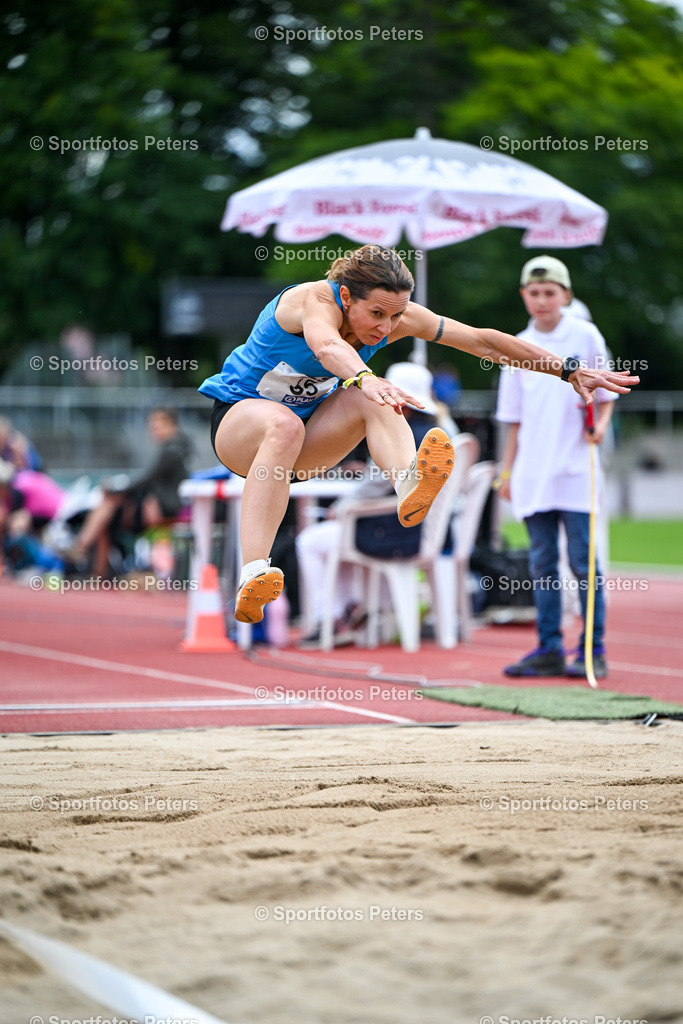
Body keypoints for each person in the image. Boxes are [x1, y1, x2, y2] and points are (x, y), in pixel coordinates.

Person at [199, 244, 637, 625]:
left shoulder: (396, 316)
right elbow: (327, 346)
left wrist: (566, 369)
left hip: (306, 445)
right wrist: (364, 376)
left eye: (395, 316)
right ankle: (254, 570)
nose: (386, 328)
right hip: (241, 429)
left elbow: (483, 342)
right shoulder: (313, 300)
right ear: (347, 296)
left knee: (377, 400)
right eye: (376, 314)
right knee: (290, 420)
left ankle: (409, 482)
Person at [495, 255, 618, 679]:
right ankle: (549, 646)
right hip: (533, 471)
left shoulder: (584, 335)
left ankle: (592, 648)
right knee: (542, 563)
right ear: (524, 296)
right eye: (535, 292)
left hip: (575, 469)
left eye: (551, 292)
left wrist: (600, 426)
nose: (543, 300)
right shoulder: (516, 345)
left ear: (565, 294)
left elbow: (607, 395)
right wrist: (507, 471)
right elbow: (512, 418)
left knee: (584, 563)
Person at [295, 361, 457, 647]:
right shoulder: (441, 432)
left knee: (310, 540)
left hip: (394, 533)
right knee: (337, 534)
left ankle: (331, 618)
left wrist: (342, 508)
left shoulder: (397, 431)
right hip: (436, 533)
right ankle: (353, 607)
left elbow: (375, 485)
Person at [67, 407, 192, 577]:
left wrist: (116, 490)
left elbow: (147, 480)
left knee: (109, 506)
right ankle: (93, 565)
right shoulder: (177, 447)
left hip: (163, 509)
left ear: (172, 425)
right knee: (108, 510)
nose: (154, 430)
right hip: (158, 504)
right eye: (152, 426)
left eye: (158, 425)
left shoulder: (172, 450)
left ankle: (82, 548)